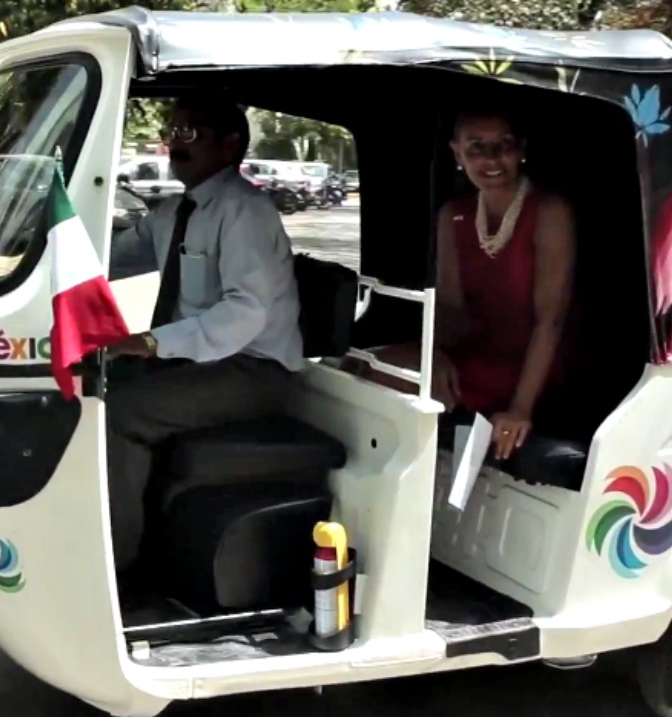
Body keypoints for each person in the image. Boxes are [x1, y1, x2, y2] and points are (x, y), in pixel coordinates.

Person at [104, 96, 305, 580]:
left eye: (189, 134)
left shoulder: (245, 212)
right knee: (92, 380)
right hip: (201, 361)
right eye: (172, 133)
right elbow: (107, 259)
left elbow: (245, 313)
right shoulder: (173, 212)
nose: (175, 144)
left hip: (254, 369)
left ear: (229, 144)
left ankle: (118, 569)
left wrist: (151, 343)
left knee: (122, 413)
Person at [343, 106, 579, 462]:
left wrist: (518, 410)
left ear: (522, 150)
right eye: (476, 148)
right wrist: (430, 355)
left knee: (387, 379)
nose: (491, 159)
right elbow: (451, 312)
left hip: (534, 361)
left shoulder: (548, 211)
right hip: (475, 350)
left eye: (504, 145)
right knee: (356, 365)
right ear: (457, 153)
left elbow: (551, 320)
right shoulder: (453, 215)